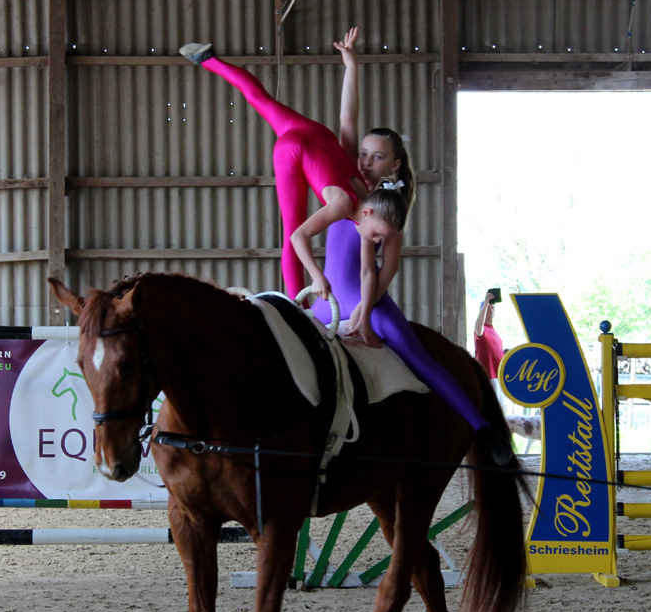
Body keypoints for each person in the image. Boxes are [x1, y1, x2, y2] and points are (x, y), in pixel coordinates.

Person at [180, 34, 512, 465]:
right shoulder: (343, 174)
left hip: (366, 301)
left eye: (376, 158)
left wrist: (364, 312)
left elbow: (386, 269)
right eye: (364, 153)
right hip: (323, 303)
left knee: (417, 354)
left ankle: (483, 429)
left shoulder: (387, 212)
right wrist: (350, 65)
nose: (364, 161)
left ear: (393, 165)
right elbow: (347, 112)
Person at [179, 39, 408, 300]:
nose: (377, 240)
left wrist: (351, 65)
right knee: (291, 231)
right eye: (378, 234)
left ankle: (208, 60)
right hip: (291, 150)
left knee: (259, 97)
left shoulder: (366, 186)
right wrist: (317, 276)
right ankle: (299, 307)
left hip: (316, 133)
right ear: (367, 213)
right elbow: (299, 237)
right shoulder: (345, 204)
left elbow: (348, 117)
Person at [474, 291, 505, 384]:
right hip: (489, 377)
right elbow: (478, 327)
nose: (490, 311)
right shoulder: (482, 330)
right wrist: (486, 302)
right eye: (488, 308)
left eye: (492, 308)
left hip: (500, 376)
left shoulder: (495, 332)